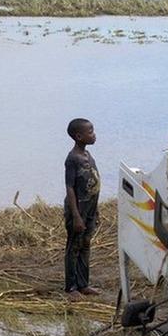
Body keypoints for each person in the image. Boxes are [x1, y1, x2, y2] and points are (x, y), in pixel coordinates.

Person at [64, 118, 101, 301]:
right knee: (74, 247)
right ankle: (71, 287)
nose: (94, 135)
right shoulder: (73, 159)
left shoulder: (87, 155)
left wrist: (95, 210)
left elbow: (92, 184)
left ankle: (83, 284)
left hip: (90, 208)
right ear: (79, 136)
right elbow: (70, 188)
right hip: (78, 210)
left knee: (85, 245)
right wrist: (76, 216)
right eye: (90, 132)